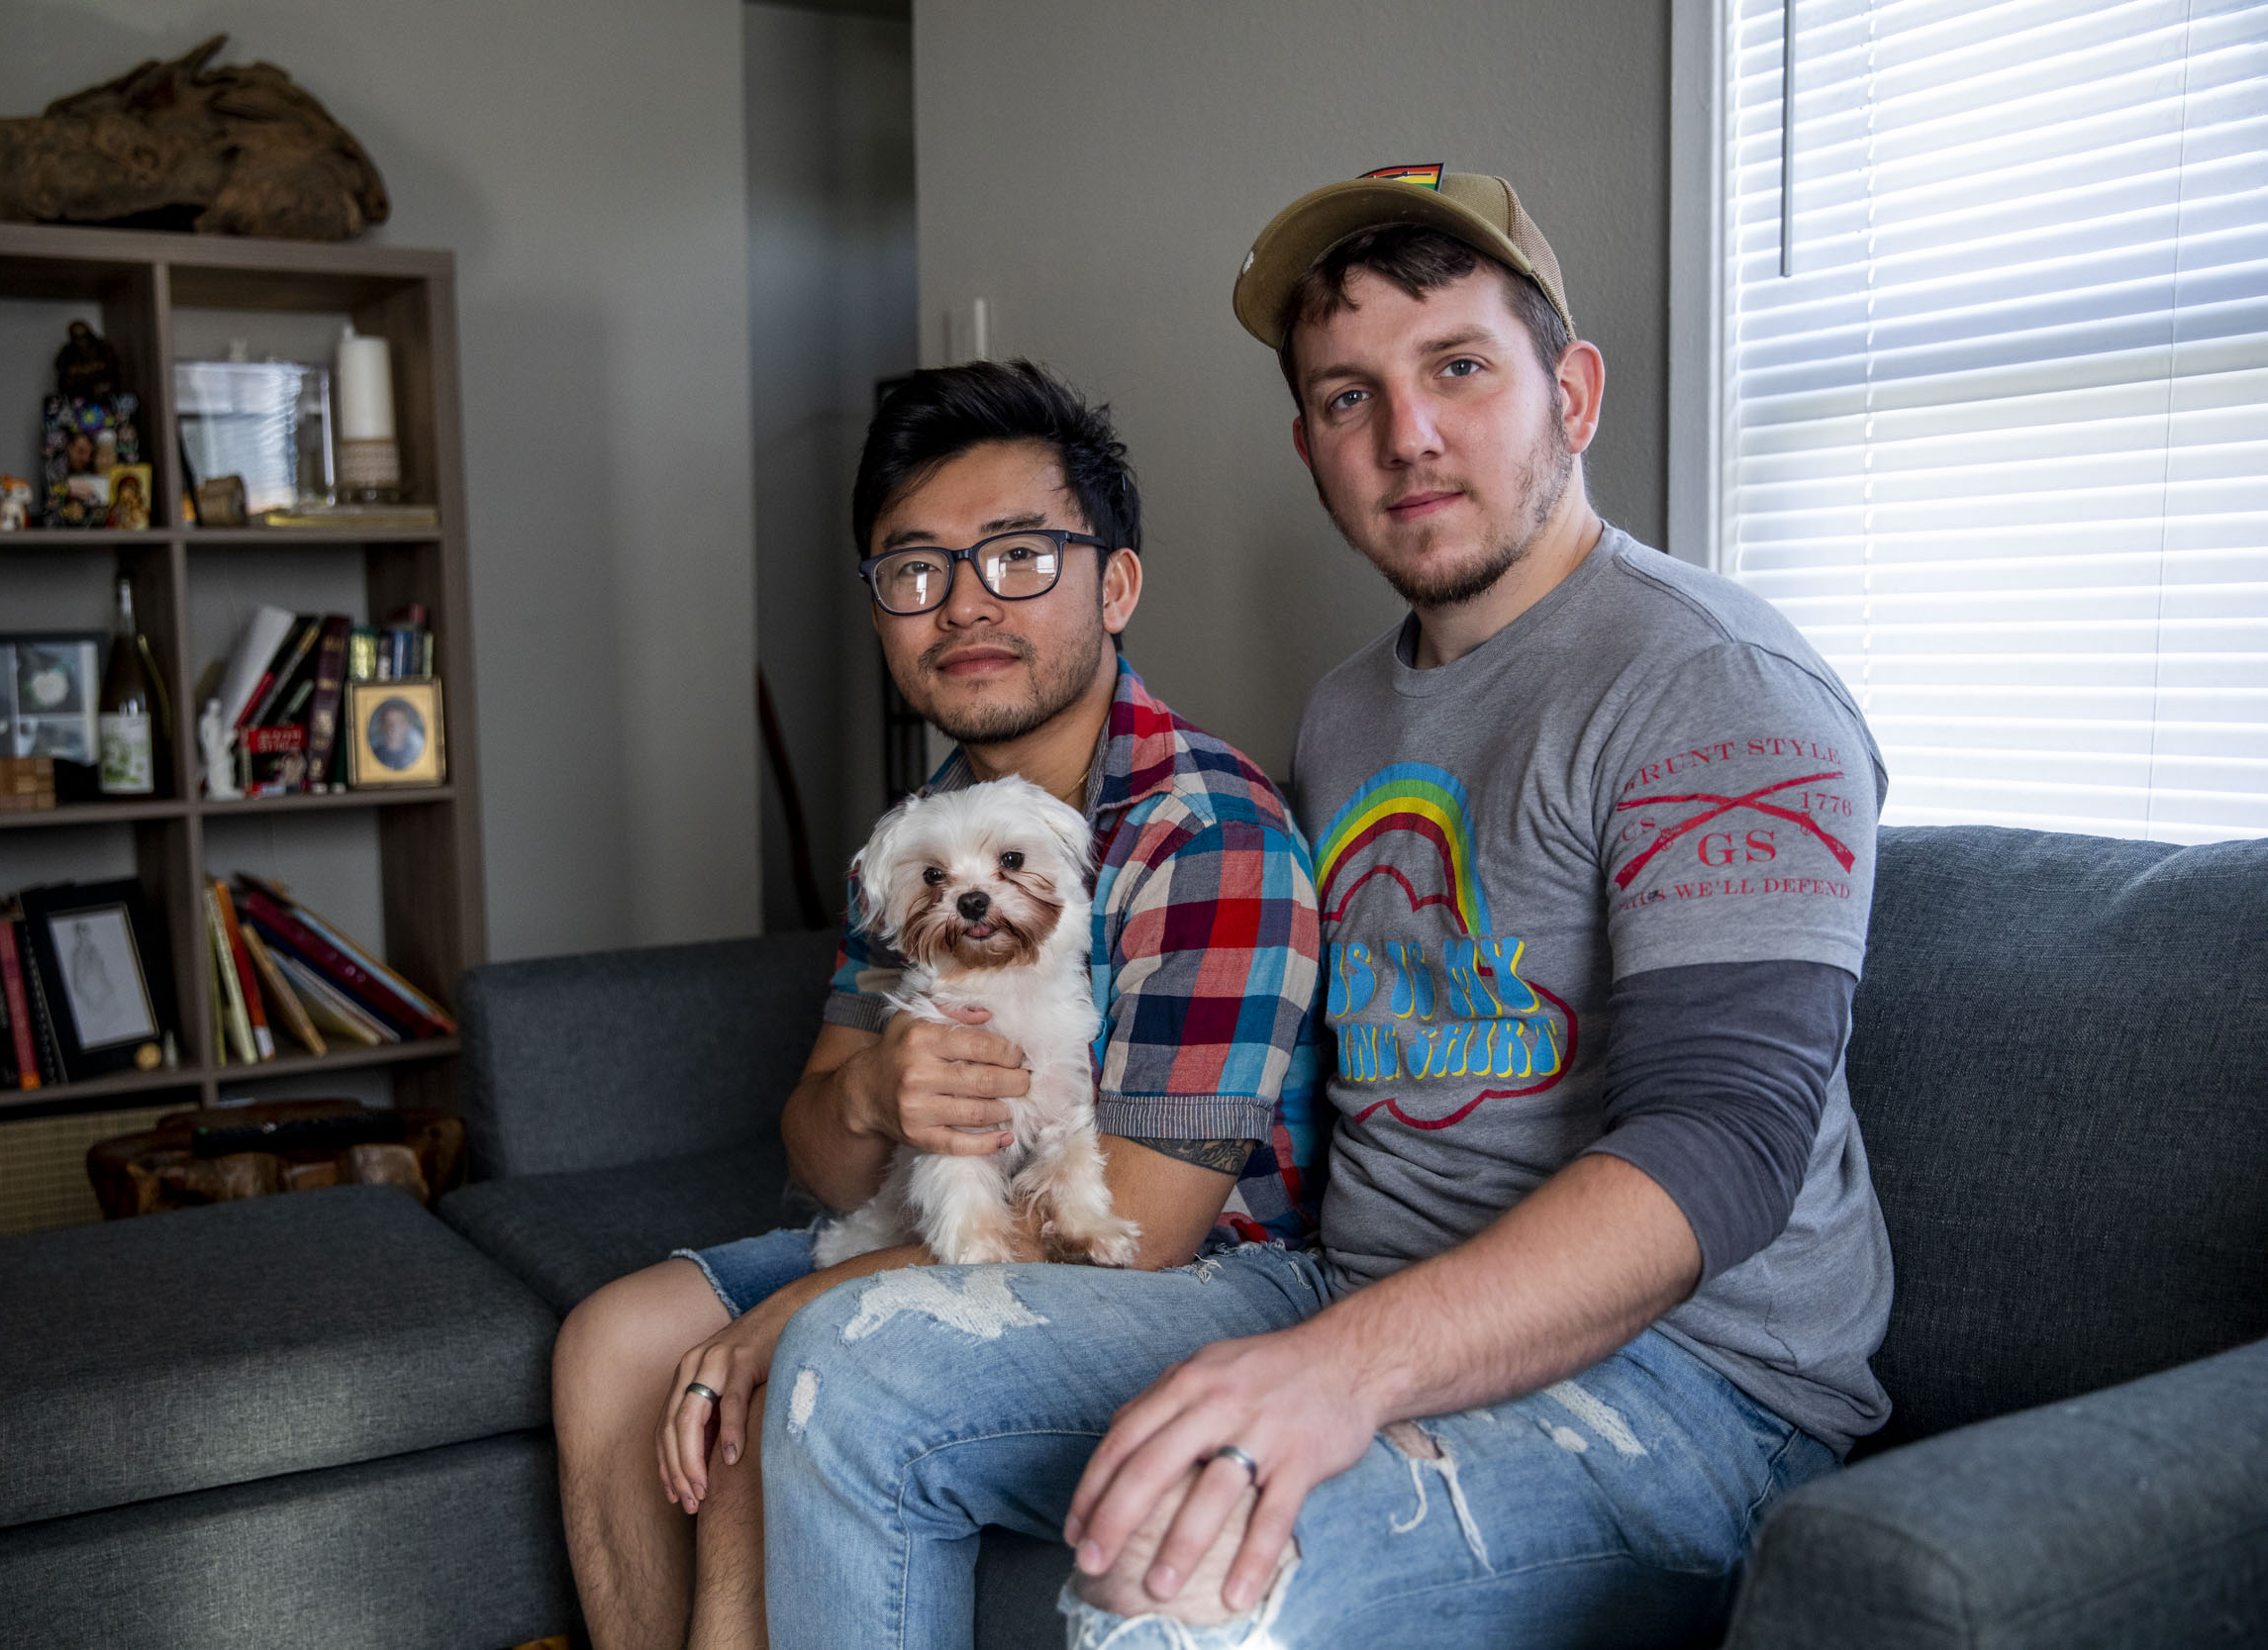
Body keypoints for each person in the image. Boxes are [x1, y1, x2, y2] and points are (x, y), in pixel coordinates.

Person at [760, 169, 1893, 1649]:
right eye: (1347, 397)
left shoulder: (1716, 688)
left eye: (1460, 369)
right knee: (846, 1374)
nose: (1406, 436)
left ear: (1576, 393)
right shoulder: (1354, 710)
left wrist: (1341, 1372)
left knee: (1183, 1591)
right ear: (1309, 446)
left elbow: (1726, 1145)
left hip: (1689, 1390)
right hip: (1336, 1288)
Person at [549, 360, 1325, 1650]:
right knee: (609, 1344)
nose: (962, 605)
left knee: (781, 1370)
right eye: (914, 572)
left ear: (1115, 584)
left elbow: (1141, 1217)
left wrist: (795, 1311)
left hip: (1207, 1277)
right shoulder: (925, 842)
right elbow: (824, 1158)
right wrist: (864, 1089)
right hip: (949, 1226)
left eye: (1018, 556)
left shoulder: (1207, 831)